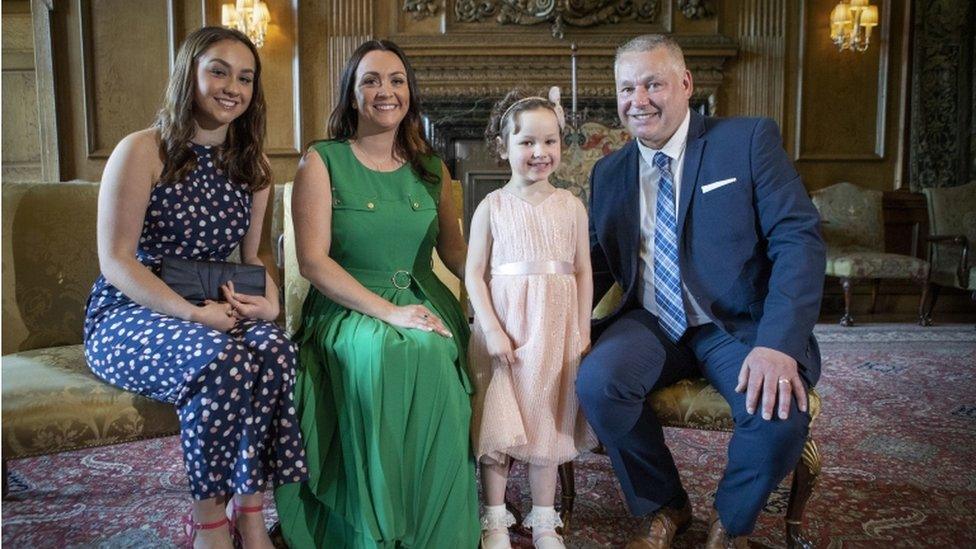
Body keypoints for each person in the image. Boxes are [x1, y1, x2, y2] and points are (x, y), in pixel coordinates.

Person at [576, 34, 826, 549]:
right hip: (650, 323)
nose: (637, 100)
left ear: (686, 84)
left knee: (779, 414)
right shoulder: (609, 173)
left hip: (735, 324)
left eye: (652, 84)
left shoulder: (746, 141)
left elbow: (797, 240)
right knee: (598, 382)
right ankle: (665, 506)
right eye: (627, 88)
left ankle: (729, 524)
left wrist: (778, 344)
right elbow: (594, 267)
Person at [83, 26, 307, 549]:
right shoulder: (142, 150)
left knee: (274, 348)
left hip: (212, 299)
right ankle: (208, 523)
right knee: (220, 359)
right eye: (219, 71)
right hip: (130, 311)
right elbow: (116, 261)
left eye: (246, 77)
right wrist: (192, 315)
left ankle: (250, 514)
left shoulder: (253, 165)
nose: (233, 86)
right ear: (190, 74)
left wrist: (271, 300)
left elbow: (254, 258)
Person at [273, 39, 479, 548]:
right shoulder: (320, 162)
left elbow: (457, 254)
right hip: (348, 306)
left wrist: (506, 295)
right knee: (389, 351)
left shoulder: (433, 170)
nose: (385, 91)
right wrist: (391, 313)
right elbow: (313, 262)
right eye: (370, 80)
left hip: (426, 301)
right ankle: (378, 529)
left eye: (396, 80)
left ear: (410, 93)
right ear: (351, 95)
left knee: (435, 351)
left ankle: (434, 532)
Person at [466, 89, 598, 549]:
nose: (539, 153)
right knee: (499, 424)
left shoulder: (572, 207)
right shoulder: (492, 207)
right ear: (504, 147)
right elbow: (474, 275)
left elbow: (582, 271)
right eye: (526, 143)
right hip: (505, 331)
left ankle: (545, 519)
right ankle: (496, 519)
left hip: (555, 329)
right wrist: (492, 330)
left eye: (549, 142)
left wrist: (581, 328)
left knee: (548, 420)